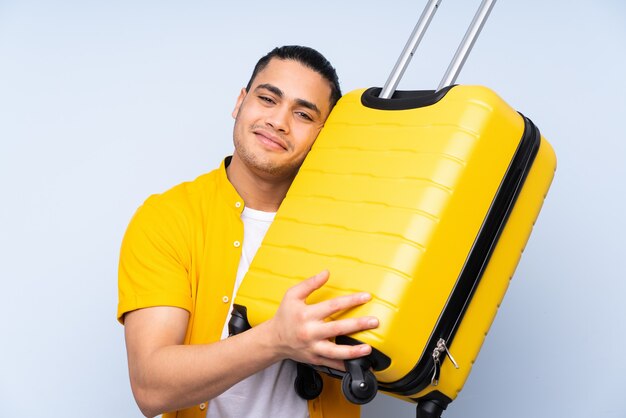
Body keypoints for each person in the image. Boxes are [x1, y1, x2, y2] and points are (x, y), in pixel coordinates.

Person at [117, 45, 379, 418]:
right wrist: (276, 340)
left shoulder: (356, 229)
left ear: (326, 135)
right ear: (240, 102)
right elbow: (151, 387)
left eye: (303, 113)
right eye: (267, 99)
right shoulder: (167, 218)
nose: (278, 121)